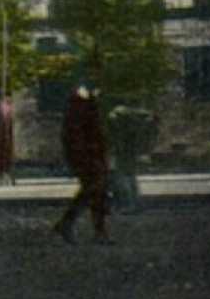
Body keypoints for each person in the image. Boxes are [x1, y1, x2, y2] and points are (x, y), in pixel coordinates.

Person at [53, 86, 111, 244]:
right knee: (93, 188)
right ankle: (67, 222)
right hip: (86, 154)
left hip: (93, 153)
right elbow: (76, 133)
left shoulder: (88, 101)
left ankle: (99, 231)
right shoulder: (79, 103)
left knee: (97, 190)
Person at [107, 104, 156, 212]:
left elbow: (117, 142)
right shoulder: (132, 125)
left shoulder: (119, 124)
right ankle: (134, 203)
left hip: (123, 154)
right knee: (131, 178)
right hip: (129, 153)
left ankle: (127, 204)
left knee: (122, 178)